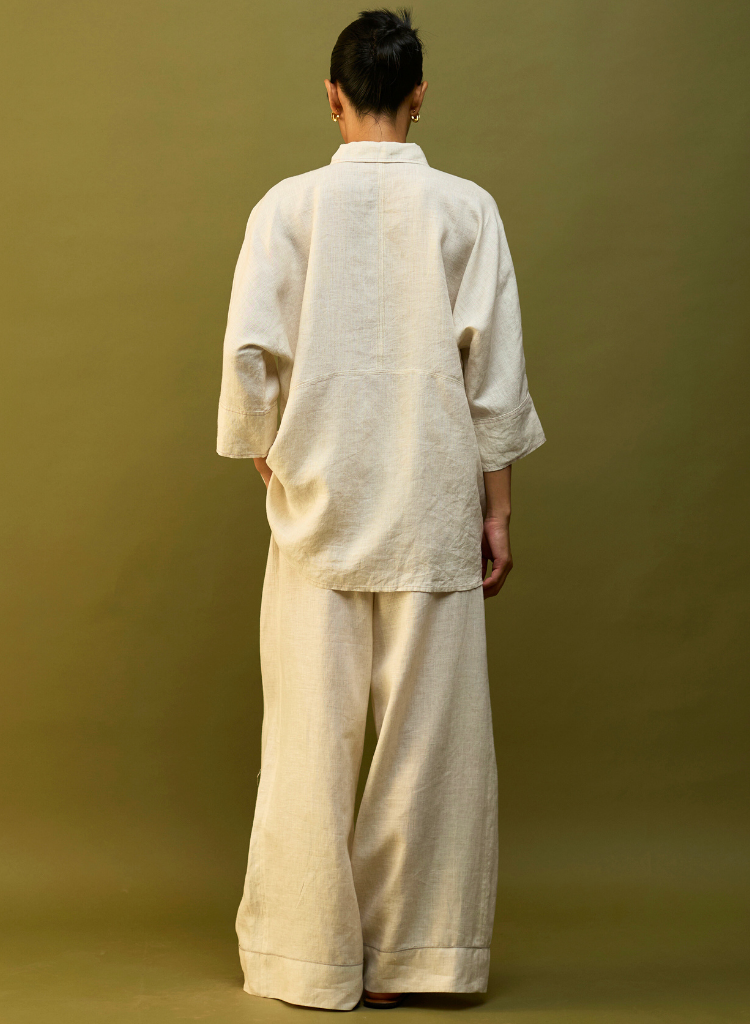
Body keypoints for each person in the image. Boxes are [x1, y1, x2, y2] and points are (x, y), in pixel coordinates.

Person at [216, 6, 546, 1012]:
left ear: (332, 95)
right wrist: (496, 513)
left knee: (307, 745)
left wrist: (275, 461)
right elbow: (495, 377)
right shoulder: (467, 210)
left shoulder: (286, 207)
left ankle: (306, 960)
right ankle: (418, 959)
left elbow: (248, 358)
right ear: (417, 96)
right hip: (431, 507)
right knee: (428, 751)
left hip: (317, 513)